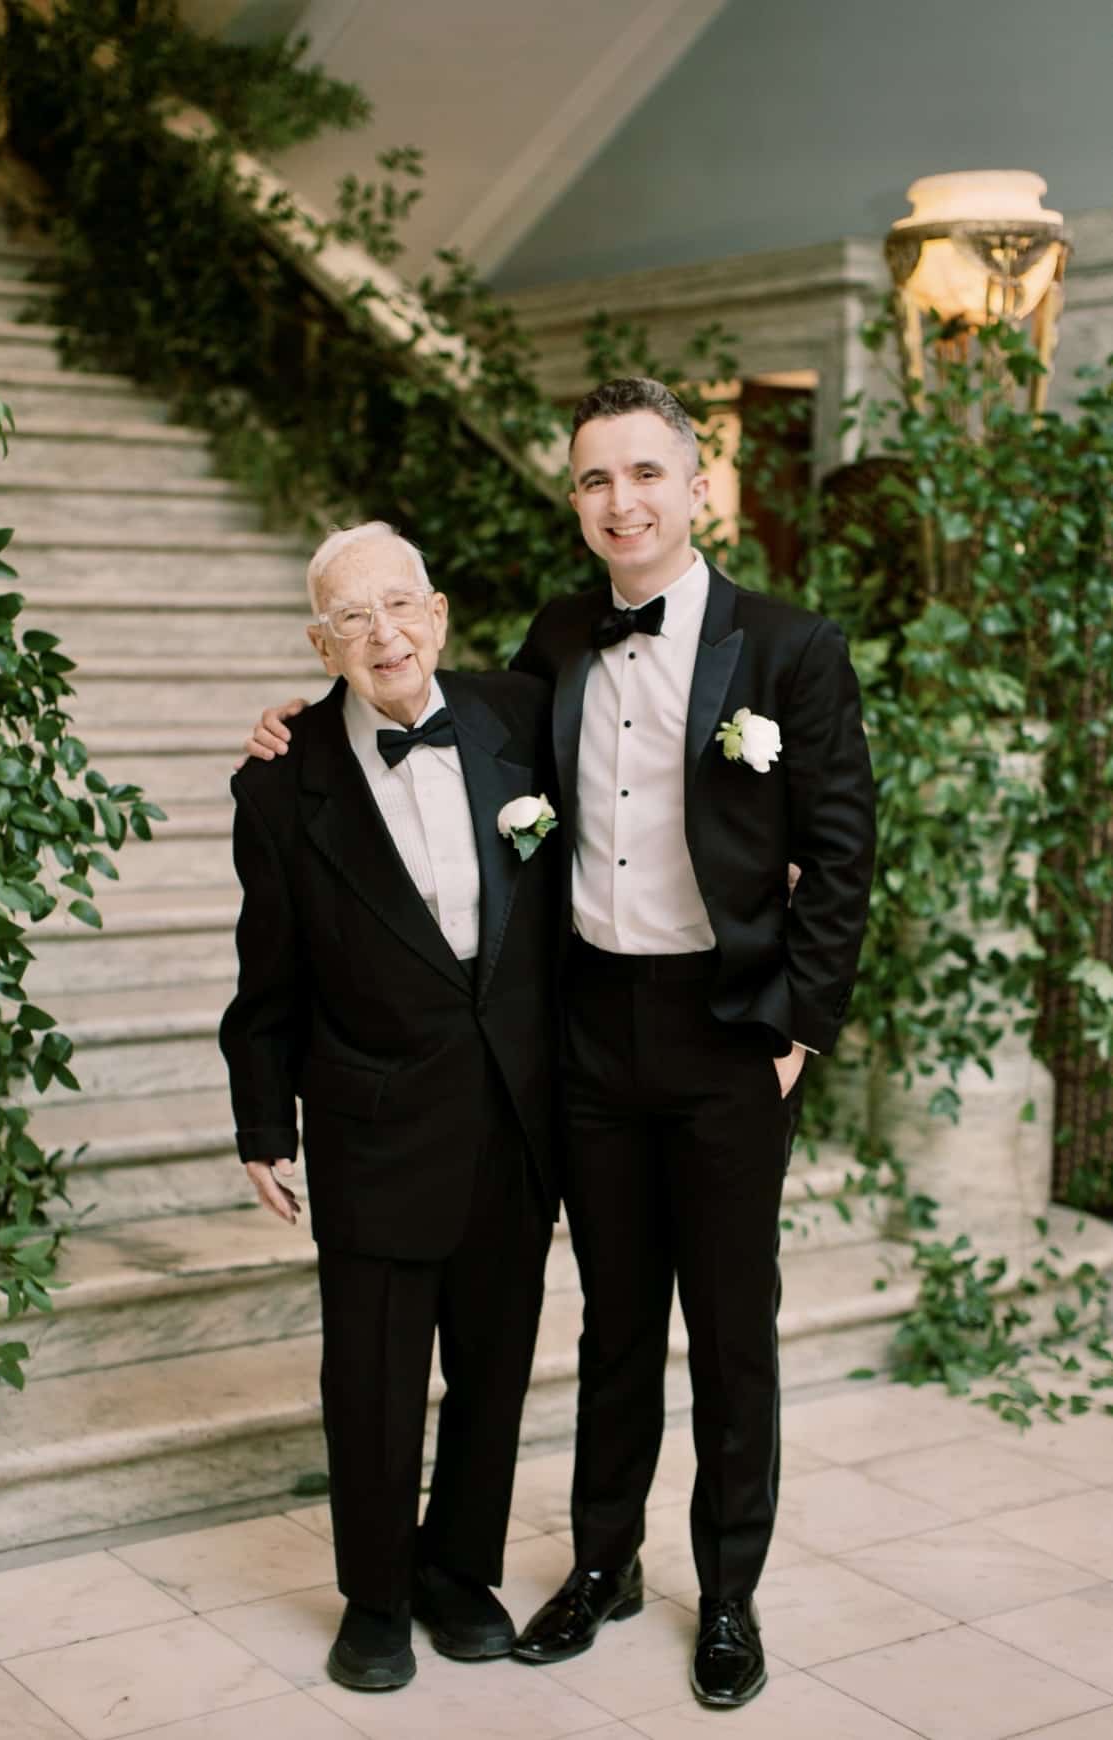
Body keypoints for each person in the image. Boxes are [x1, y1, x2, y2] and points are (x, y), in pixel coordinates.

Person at [242, 378, 876, 1709]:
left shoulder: (788, 650)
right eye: (593, 479)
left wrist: (794, 1033)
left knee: (730, 1330)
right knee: (609, 1329)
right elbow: (430, 726)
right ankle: (600, 1563)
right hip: (585, 1035)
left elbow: (842, 852)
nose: (619, 501)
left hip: (724, 1036)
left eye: (644, 473)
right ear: (574, 498)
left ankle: (727, 1595)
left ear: (695, 487)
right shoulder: (552, 647)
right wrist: (295, 727)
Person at [219, 521, 559, 1694]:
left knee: (494, 1367)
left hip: (514, 1117)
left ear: (441, 613)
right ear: (323, 642)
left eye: (401, 605)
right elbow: (267, 978)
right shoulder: (279, 780)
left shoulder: (521, 717)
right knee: (369, 1379)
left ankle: (459, 1572)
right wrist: (264, 1123)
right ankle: (373, 1595)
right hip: (371, 1121)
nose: (385, 634)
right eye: (353, 618)